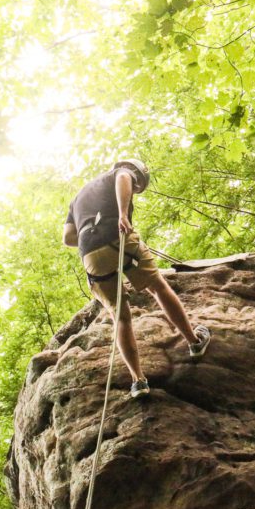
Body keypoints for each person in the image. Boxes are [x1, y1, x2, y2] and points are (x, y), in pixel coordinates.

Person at [63, 159, 211, 398]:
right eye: (138, 185)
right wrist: (122, 215)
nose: (135, 189)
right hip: (118, 236)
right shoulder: (121, 173)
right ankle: (194, 341)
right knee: (158, 287)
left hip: (90, 255)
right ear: (136, 173)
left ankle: (138, 381)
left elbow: (68, 238)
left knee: (120, 316)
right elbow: (123, 178)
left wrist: (91, 237)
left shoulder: (77, 199)